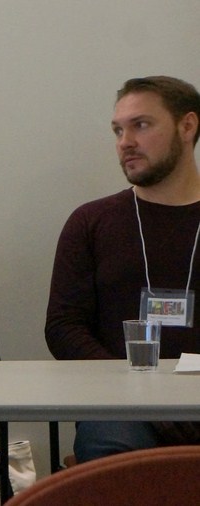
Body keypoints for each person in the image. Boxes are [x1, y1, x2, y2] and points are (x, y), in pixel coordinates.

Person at [45, 76, 200, 462]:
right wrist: (135, 391)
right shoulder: (91, 222)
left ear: (187, 126)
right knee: (113, 447)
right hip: (120, 404)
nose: (125, 141)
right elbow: (64, 327)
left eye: (141, 125)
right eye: (118, 130)